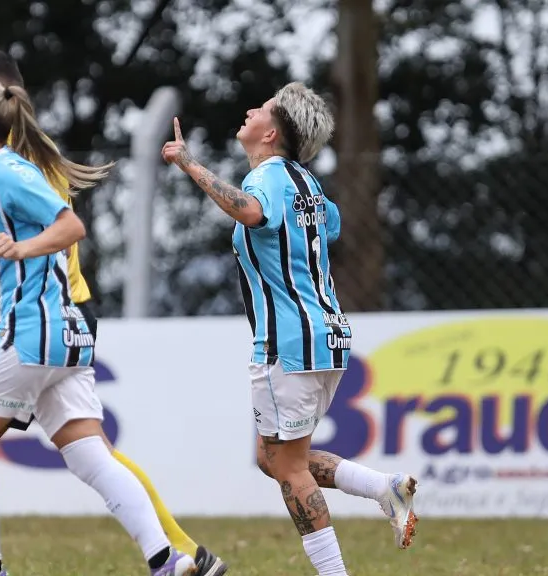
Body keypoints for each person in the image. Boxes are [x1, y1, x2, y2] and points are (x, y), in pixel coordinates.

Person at [0, 76, 198, 576]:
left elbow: (70, 225)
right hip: (61, 337)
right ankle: (167, 560)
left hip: (29, 330)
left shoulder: (8, 172)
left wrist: (22, 249)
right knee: (89, 455)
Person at [161, 82, 419, 576]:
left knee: (288, 468)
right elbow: (333, 226)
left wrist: (189, 164)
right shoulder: (307, 183)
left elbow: (250, 211)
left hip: (289, 341)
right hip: (328, 337)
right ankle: (382, 487)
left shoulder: (271, 177)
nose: (249, 110)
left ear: (271, 132)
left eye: (259, 108)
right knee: (273, 456)